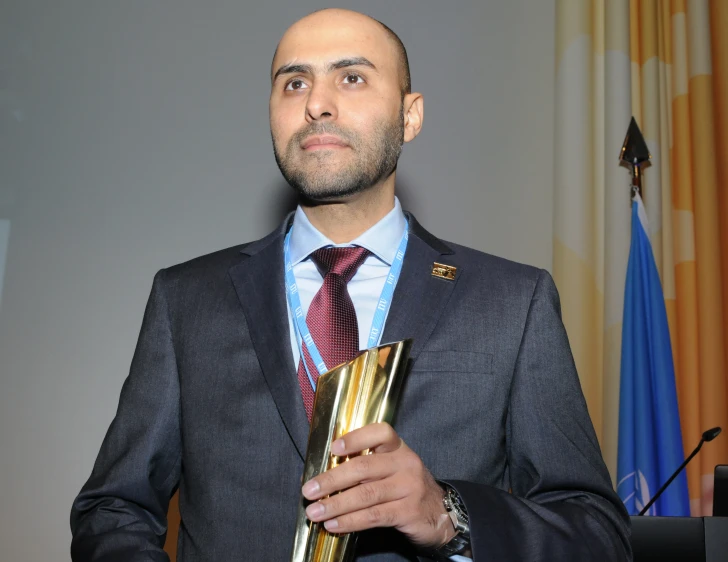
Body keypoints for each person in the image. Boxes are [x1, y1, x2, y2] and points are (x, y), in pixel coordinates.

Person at [70, 8, 631, 562]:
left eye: (352, 77)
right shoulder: (186, 300)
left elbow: (596, 533)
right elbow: (112, 510)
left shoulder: (511, 302)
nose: (316, 103)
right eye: (294, 83)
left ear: (410, 116)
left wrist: (449, 516)